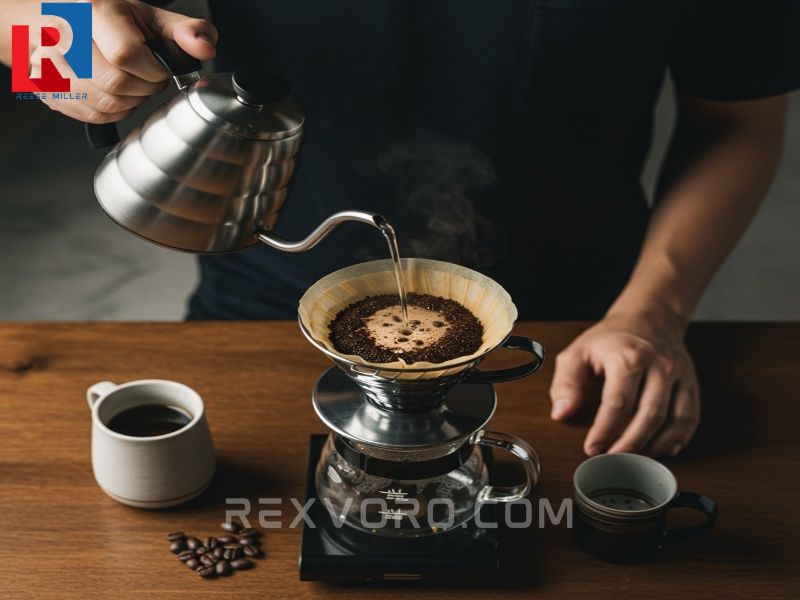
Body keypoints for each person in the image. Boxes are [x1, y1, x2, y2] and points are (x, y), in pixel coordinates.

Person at [2, 0, 798, 458]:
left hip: (580, 336)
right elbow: (24, 15)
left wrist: (653, 313)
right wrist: (53, 43)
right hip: (266, 308)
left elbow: (738, 120)